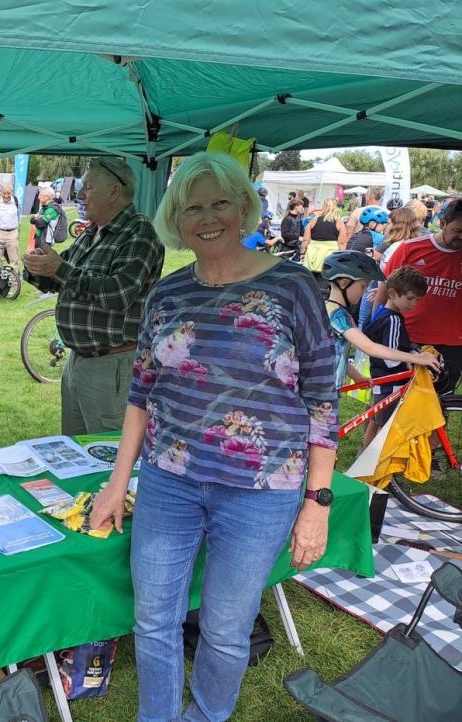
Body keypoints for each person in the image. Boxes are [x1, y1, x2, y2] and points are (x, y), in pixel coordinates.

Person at [88, 151, 338, 722]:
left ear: (245, 207)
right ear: (176, 218)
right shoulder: (166, 294)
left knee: (226, 628)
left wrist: (316, 503)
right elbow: (141, 396)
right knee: (153, 619)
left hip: (259, 492)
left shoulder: (293, 287)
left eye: (221, 202)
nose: (207, 216)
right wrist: (115, 484)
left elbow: (323, 400)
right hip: (168, 484)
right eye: (192, 206)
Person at [23, 157, 163, 435]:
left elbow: (119, 292)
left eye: (88, 187)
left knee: (106, 453)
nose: (80, 194)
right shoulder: (91, 233)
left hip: (111, 364)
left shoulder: (139, 232)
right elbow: (60, 277)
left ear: (114, 190)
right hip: (79, 361)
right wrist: (37, 267)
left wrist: (59, 269)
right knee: (74, 452)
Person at [376, 198, 462, 395]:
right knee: (394, 401)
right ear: (442, 224)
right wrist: (376, 326)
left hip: (453, 344)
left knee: (440, 406)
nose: (461, 237)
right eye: (457, 231)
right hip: (408, 338)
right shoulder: (410, 249)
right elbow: (385, 287)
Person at [321, 251, 438, 390]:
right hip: (321, 391)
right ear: (344, 283)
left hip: (325, 389)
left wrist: (356, 376)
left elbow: (335, 354)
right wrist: (417, 358)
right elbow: (369, 347)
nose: (364, 292)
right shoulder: (337, 315)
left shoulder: (331, 309)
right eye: (363, 286)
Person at [361, 266, 429, 448]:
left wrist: (411, 352)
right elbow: (391, 359)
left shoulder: (380, 312)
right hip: (390, 384)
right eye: (410, 298)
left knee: (376, 424)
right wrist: (413, 359)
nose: (413, 304)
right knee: (384, 429)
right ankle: (371, 469)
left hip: (381, 381)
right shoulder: (393, 319)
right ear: (392, 293)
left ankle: (363, 462)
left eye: (417, 300)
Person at [301, 198, 349, 275]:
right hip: (330, 257)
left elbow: (305, 240)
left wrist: (302, 253)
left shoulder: (314, 221)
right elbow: (342, 243)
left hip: (312, 256)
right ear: (335, 208)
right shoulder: (339, 223)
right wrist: (344, 258)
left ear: (324, 207)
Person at [0, 183, 21, 268]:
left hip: (12, 233)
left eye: (8, 193)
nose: (6, 195)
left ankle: (14, 280)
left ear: (12, 192)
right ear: (0, 192)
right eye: (4, 193)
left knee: (14, 260)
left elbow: (19, 216)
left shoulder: (16, 201)